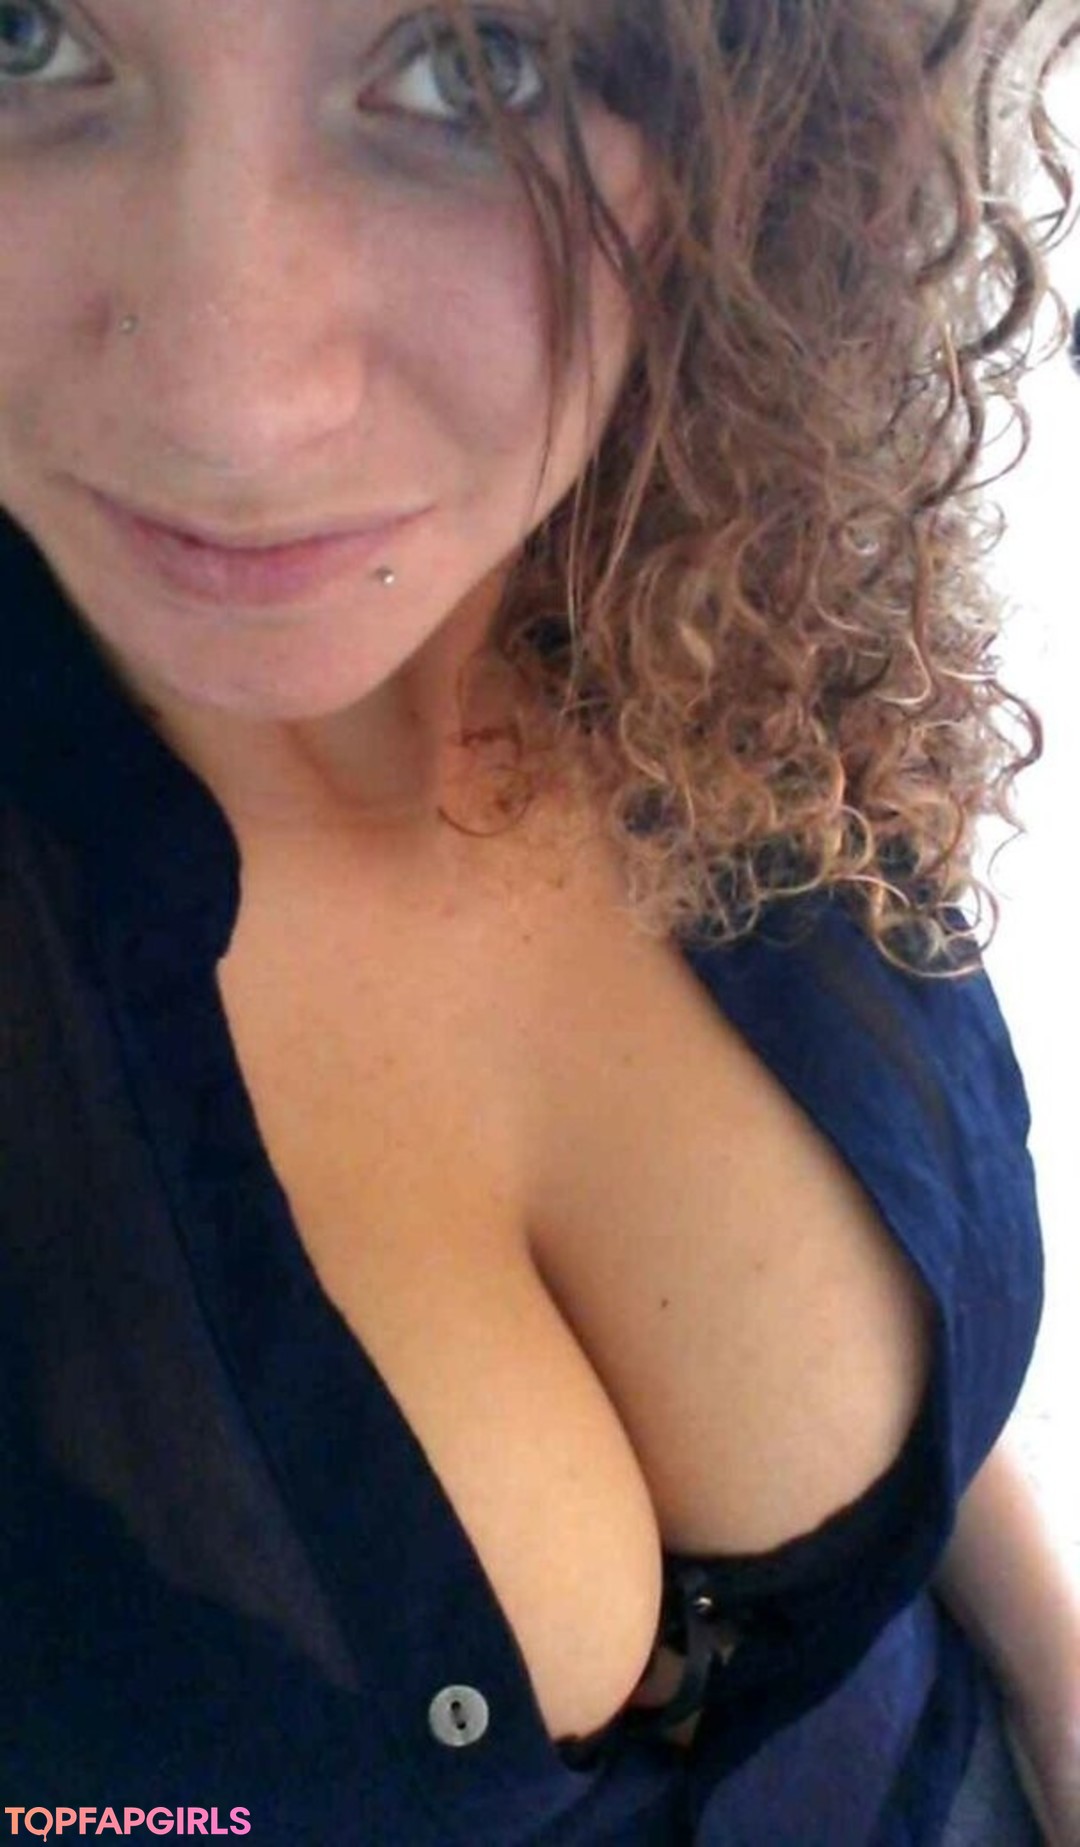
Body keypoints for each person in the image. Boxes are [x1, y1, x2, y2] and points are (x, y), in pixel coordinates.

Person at [1, 1, 1077, 1842]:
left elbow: (890, 1430)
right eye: (21, 39)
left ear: (753, 124)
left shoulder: (714, 555)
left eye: (478, 62)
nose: (233, 412)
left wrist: (1058, 1684)